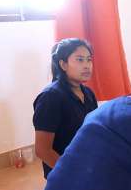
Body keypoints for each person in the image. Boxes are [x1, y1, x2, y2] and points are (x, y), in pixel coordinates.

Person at [33, 38, 98, 179]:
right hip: (65, 172)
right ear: (63, 64)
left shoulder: (88, 93)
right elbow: (42, 150)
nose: (87, 65)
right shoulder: (50, 97)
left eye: (89, 60)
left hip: (88, 165)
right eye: (80, 60)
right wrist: (71, 172)